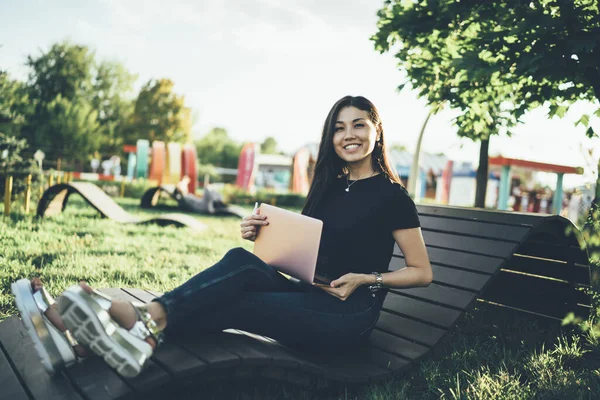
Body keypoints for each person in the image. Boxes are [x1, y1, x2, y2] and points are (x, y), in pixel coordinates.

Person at [11, 95, 433, 378]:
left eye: (359, 125)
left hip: (349, 317)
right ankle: (122, 329)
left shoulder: (392, 196)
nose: (349, 136)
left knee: (238, 301)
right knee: (241, 258)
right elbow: (307, 249)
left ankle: (115, 322)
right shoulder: (328, 186)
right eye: (339, 129)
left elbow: (421, 272)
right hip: (312, 293)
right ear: (331, 137)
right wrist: (263, 236)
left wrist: (367, 279)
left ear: (377, 131)